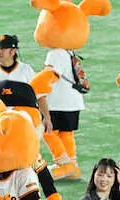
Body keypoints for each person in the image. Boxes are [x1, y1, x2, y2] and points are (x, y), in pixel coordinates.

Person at [40, 43, 86, 181]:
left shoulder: (55, 53)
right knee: (66, 133)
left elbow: (51, 76)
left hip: (57, 101)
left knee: (47, 130)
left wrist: (39, 86)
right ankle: (73, 167)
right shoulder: (69, 50)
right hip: (74, 101)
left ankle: (64, 164)